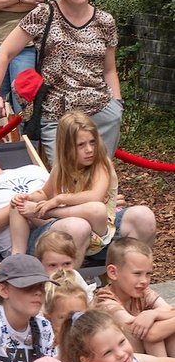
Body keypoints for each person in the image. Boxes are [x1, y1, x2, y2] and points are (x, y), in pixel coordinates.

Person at [0, 0, 122, 160]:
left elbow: (109, 70)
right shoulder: (44, 14)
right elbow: (4, 53)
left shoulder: (105, 21)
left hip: (100, 113)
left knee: (99, 182)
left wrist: (117, 105)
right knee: (64, 184)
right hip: (58, 114)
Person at [0, 121, 156, 257]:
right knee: (76, 226)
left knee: (142, 216)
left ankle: (128, 288)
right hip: (35, 241)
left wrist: (100, 202)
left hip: (84, 224)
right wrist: (19, 206)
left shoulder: (30, 168)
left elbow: (59, 193)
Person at [9, 112, 117, 262]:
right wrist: (29, 197)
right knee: (17, 205)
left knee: (96, 208)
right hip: (70, 227)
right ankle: (16, 259)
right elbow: (44, 193)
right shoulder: (62, 168)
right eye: (81, 145)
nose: (89, 149)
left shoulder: (101, 164)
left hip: (97, 233)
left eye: (92, 142)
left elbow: (95, 197)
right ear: (66, 147)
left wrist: (58, 200)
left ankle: (47, 213)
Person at [94, 238, 175, 359]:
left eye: (148, 274)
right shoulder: (105, 301)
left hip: (143, 356)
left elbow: (170, 311)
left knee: (167, 330)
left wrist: (153, 314)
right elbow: (150, 335)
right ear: (113, 273)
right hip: (117, 361)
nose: (144, 281)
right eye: (137, 274)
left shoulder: (141, 291)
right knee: (159, 330)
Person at [43, 270, 90, 346]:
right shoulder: (46, 351)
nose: (73, 323)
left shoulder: (94, 347)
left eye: (79, 316)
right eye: (64, 318)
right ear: (49, 319)